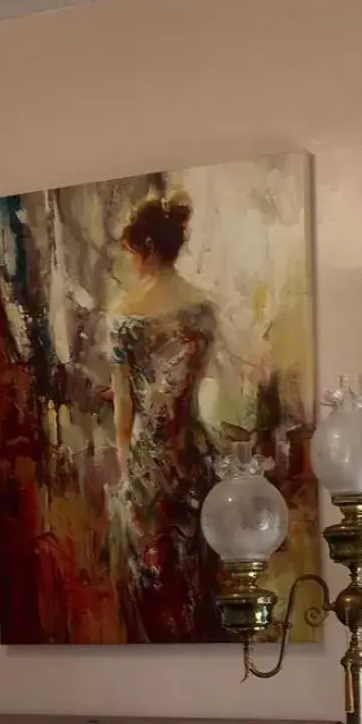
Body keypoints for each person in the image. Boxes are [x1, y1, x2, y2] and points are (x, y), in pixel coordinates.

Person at [107, 192, 220, 642]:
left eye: (132, 252)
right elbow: (186, 390)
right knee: (192, 564)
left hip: (148, 460)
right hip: (193, 453)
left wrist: (126, 463)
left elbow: (124, 408)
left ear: (148, 248)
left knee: (152, 573)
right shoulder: (204, 310)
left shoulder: (124, 315)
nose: (131, 262)